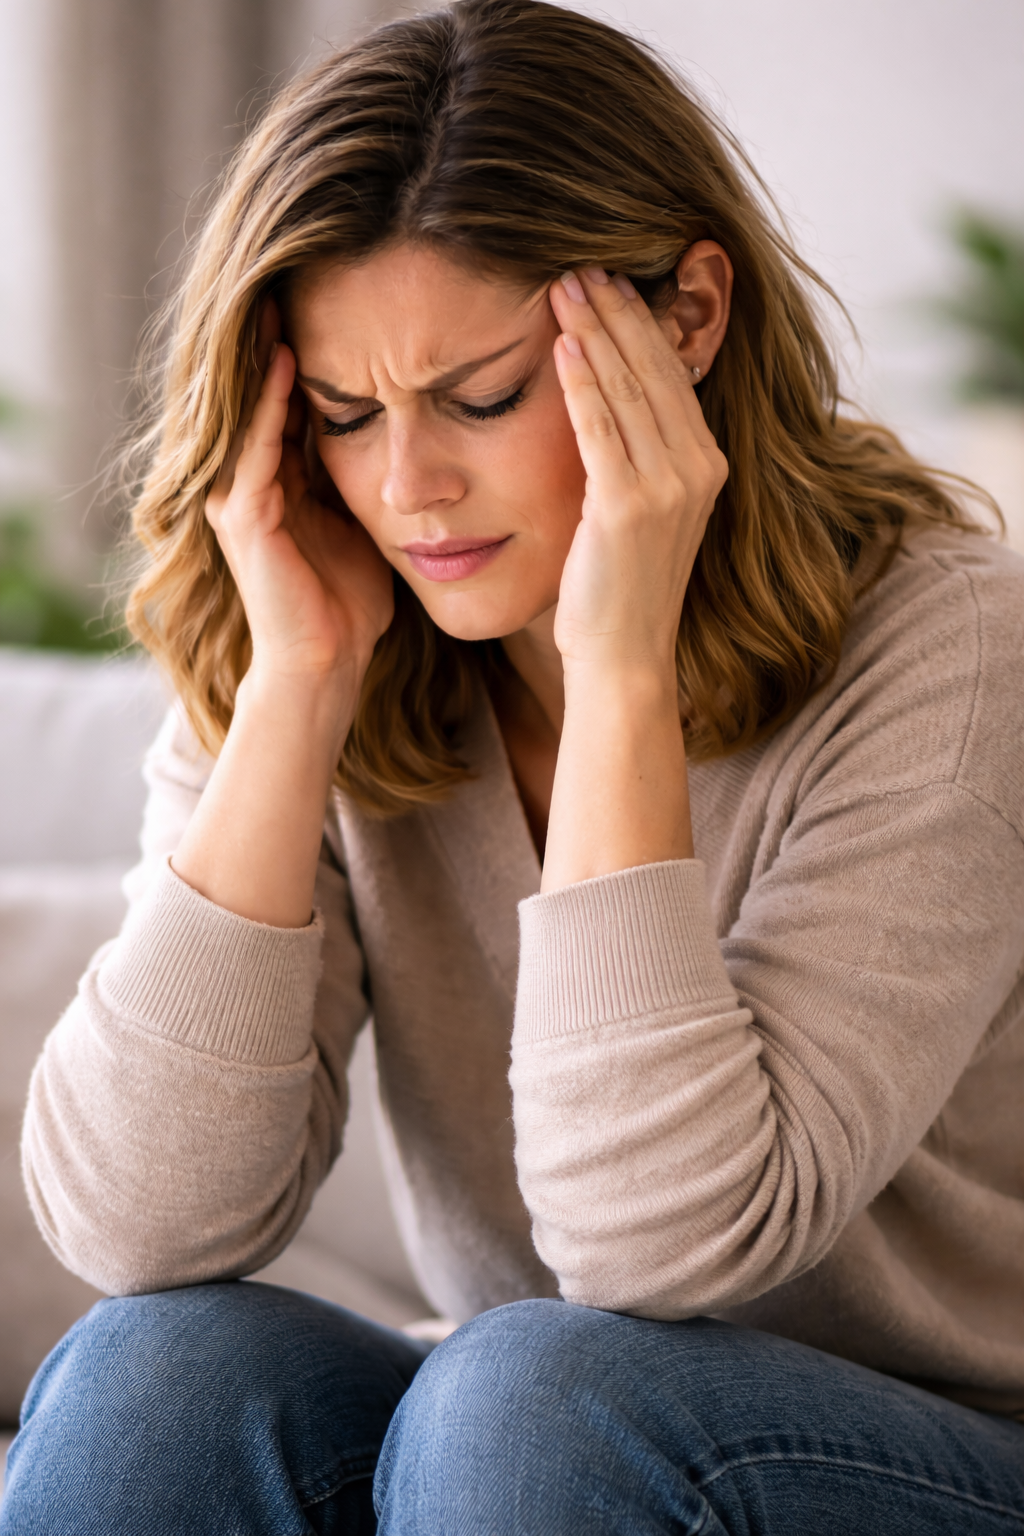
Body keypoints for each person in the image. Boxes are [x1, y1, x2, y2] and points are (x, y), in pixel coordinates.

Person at [3, 0, 1023, 1530]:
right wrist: (295, 689)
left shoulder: (953, 650)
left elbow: (656, 1255)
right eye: (346, 414)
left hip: (930, 1449)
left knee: (534, 1397)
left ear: (684, 318)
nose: (408, 490)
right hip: (525, 1426)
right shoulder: (333, 616)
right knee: (159, 1371)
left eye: (481, 397)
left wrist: (620, 665)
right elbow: (135, 1225)